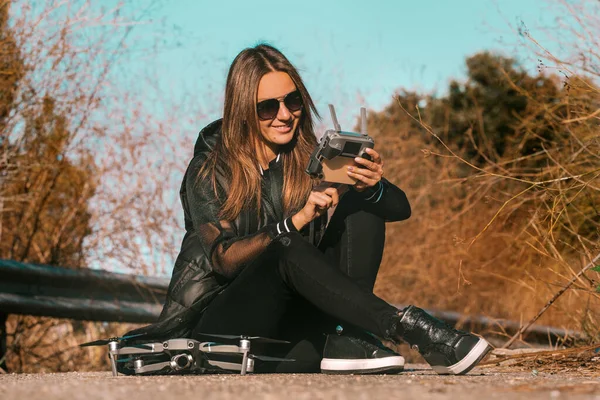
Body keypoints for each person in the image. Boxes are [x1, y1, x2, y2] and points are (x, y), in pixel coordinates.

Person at [128, 43, 492, 375]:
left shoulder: (307, 161)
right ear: (242, 111)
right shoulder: (210, 169)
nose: (285, 114)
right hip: (220, 330)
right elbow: (223, 259)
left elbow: (399, 209)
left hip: (288, 333)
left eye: (293, 101)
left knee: (359, 205)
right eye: (268, 106)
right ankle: (410, 328)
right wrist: (296, 220)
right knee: (285, 246)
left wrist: (372, 186)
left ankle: (346, 337)